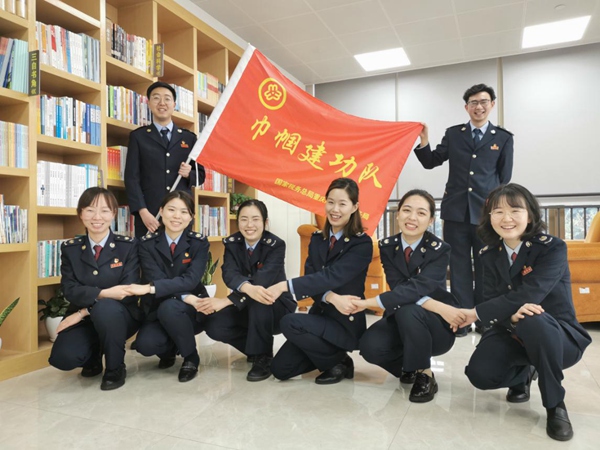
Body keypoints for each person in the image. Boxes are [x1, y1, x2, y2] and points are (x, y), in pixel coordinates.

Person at [461, 183, 591, 441]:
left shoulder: (552, 248)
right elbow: (490, 298)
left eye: (515, 210)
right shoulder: (488, 254)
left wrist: (475, 313)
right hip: (511, 330)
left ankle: (555, 405)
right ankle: (523, 372)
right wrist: (510, 317)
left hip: (557, 334)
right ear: (490, 217)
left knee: (532, 317)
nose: (506, 218)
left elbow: (530, 294)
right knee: (480, 374)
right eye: (498, 212)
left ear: (529, 215)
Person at [414, 83, 514, 335]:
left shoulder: (503, 138)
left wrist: (497, 210)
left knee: (485, 267)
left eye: (483, 102)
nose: (479, 107)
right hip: (455, 212)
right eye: (473, 103)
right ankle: (460, 320)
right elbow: (431, 161)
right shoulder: (454, 134)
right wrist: (424, 140)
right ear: (466, 107)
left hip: (485, 214)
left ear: (492, 104)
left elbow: (504, 178)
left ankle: (483, 318)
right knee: (458, 268)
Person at [355, 189, 462, 402]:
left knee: (409, 309)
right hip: (410, 315)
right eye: (407, 210)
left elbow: (419, 287)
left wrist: (370, 302)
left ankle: (425, 374)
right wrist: (438, 306)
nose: (412, 217)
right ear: (398, 214)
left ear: (430, 220)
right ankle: (409, 366)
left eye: (421, 213)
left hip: (436, 326)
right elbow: (398, 285)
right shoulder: (388, 246)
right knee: (370, 346)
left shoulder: (440, 249)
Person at [267, 178, 373, 385]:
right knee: (280, 369)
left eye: (342, 204)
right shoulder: (317, 239)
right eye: (330, 202)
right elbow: (311, 277)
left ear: (354, 207)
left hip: (345, 323)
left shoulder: (361, 244)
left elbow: (330, 276)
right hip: (320, 318)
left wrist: (283, 286)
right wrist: (331, 297)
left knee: (290, 322)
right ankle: (336, 358)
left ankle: (337, 361)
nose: (335, 209)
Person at [49, 187, 142, 391]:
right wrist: (104, 294)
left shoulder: (128, 246)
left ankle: (115, 368)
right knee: (63, 357)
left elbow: (127, 291)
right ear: (80, 214)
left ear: (114, 214)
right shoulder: (71, 249)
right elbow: (70, 289)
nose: (97, 217)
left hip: (120, 316)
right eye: (90, 210)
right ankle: (93, 355)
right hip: (85, 319)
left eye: (104, 211)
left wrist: (84, 311)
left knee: (106, 309)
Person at [197, 199, 295, 382]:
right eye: (244, 219)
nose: (249, 225)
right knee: (215, 325)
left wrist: (226, 301)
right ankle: (255, 348)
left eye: (255, 219)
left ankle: (263, 357)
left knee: (260, 297)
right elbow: (229, 273)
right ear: (238, 222)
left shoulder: (276, 245)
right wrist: (247, 288)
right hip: (245, 304)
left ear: (265, 222)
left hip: (276, 307)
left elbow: (263, 281)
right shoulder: (232, 243)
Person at [125, 191, 209, 382]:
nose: (177, 216)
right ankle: (171, 347)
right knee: (145, 345)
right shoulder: (146, 244)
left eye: (184, 212)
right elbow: (156, 277)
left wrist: (154, 289)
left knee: (170, 307)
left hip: (192, 309)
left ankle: (191, 357)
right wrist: (185, 296)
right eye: (171, 210)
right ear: (161, 211)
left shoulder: (199, 243)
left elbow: (191, 280)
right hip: (160, 307)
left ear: (191, 217)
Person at [125, 81, 205, 238]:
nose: (162, 103)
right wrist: (142, 211)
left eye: (167, 99)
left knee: (181, 252)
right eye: (156, 98)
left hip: (180, 216)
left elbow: (200, 176)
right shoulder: (138, 137)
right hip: (150, 216)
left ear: (174, 104)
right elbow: (131, 179)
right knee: (147, 253)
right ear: (149, 103)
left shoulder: (189, 138)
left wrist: (189, 174)